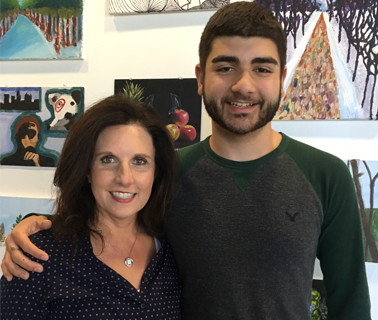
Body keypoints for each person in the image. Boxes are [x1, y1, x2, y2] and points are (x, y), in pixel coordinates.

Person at [1, 2, 371, 319]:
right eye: (225, 67)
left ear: (282, 79)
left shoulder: (325, 175)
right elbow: (112, 215)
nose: (243, 85)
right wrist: (43, 227)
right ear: (200, 78)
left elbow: (350, 302)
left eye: (262, 68)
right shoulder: (170, 173)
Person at [0, 95, 181, 319]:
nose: (125, 178)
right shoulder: (37, 256)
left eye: (139, 161)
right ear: (86, 170)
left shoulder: (175, 248)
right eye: (108, 159)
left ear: (156, 172)